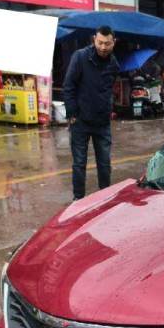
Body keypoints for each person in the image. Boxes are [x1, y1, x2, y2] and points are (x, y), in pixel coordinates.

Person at [63, 26, 120, 201]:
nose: (103, 47)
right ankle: (78, 199)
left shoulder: (114, 64)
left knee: (104, 164)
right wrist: (72, 113)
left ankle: (105, 198)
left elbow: (109, 89)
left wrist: (108, 109)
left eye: (107, 44)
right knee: (79, 163)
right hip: (80, 121)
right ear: (94, 39)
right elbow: (69, 86)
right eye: (100, 42)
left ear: (114, 42)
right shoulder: (80, 57)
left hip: (102, 123)